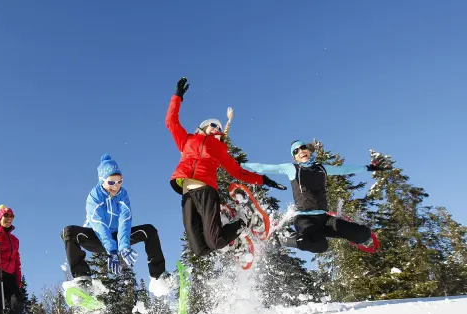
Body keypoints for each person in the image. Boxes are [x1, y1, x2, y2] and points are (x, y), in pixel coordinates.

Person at [165, 77, 286, 257]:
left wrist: (262, 179)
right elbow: (171, 122)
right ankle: (233, 240)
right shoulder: (188, 140)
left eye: (219, 128)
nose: (216, 129)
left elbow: (237, 171)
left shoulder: (219, 149)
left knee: (215, 241)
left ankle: (243, 222)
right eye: (213, 125)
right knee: (200, 250)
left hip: (206, 191)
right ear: (203, 127)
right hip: (187, 194)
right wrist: (177, 96)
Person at [242, 140, 391, 253]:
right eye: (296, 150)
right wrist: (237, 164)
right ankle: (282, 239)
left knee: (362, 234)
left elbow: (344, 170)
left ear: (308, 151)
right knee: (320, 246)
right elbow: (263, 167)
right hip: (305, 219)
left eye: (303, 147)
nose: (301, 150)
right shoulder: (292, 168)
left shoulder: (322, 168)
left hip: (324, 219)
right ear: (295, 157)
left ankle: (356, 235)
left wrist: (367, 167)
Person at [60, 154, 173, 296]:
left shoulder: (123, 195)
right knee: (68, 232)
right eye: (111, 182)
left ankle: (159, 276)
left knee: (149, 230)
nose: (116, 186)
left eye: (120, 181)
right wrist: (112, 250)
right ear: (102, 180)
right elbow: (98, 224)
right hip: (96, 236)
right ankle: (82, 279)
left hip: (117, 236)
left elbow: (125, 221)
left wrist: (124, 245)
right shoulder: (94, 196)